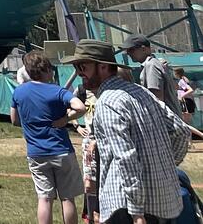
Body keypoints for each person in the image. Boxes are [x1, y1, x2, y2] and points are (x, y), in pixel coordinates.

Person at [62, 38, 191, 224]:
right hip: (161, 204)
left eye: (83, 66)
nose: (78, 72)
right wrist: (166, 166)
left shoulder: (108, 102)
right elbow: (181, 131)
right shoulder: (141, 92)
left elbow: (126, 157)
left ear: (104, 67)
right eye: (76, 66)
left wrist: (137, 212)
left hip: (127, 209)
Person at [10, 50, 86, 224]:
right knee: (67, 198)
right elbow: (80, 107)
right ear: (45, 69)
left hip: (36, 153)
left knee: (44, 199)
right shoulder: (57, 91)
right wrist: (65, 119)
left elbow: (14, 120)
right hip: (61, 150)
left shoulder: (19, 92)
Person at [122, 36, 181, 117]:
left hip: (166, 122)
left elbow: (156, 100)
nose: (128, 53)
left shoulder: (151, 65)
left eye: (131, 50)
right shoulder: (155, 63)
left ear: (144, 49)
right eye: (127, 51)